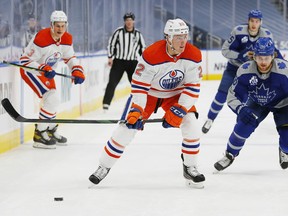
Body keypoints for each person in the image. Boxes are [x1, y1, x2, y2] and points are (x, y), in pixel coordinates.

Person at [89, 18, 205, 188]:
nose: (183, 41)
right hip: (149, 95)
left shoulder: (193, 54)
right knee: (126, 129)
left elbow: (193, 87)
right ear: (168, 37)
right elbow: (139, 87)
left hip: (175, 95)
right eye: (178, 37)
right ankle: (103, 166)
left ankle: (190, 166)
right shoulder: (151, 54)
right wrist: (137, 109)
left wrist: (180, 109)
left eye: (185, 36)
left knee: (192, 125)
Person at [202, 9, 283, 134]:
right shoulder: (238, 31)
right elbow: (225, 50)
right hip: (234, 68)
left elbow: (275, 54)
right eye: (252, 21)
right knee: (221, 95)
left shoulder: (266, 35)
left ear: (261, 22)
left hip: (252, 72)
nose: (254, 24)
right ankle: (210, 119)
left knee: (244, 101)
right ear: (248, 21)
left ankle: (239, 128)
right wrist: (240, 55)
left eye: (257, 21)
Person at [214, 37, 288, 171]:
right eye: (260, 58)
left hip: (283, 104)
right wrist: (241, 109)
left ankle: (285, 150)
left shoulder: (284, 70)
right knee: (243, 125)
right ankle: (229, 154)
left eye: (266, 58)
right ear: (254, 56)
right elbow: (232, 95)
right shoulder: (245, 70)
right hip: (257, 102)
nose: (263, 62)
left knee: (287, 140)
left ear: (273, 56)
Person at [19, 10, 85, 149]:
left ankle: (49, 129)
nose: (60, 29)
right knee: (52, 99)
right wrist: (43, 68)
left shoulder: (67, 38)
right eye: (57, 26)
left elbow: (70, 57)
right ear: (51, 25)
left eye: (63, 26)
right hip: (32, 71)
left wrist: (77, 70)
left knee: (53, 100)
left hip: (46, 71)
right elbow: (24, 61)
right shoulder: (41, 38)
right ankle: (39, 134)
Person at [102, 12, 146, 111]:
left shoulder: (138, 34)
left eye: (130, 20)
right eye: (127, 20)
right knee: (112, 82)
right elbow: (111, 44)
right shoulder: (118, 32)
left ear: (133, 21)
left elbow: (142, 48)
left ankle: (138, 104)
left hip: (132, 62)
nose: (129, 22)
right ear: (124, 22)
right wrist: (110, 57)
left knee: (136, 84)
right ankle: (106, 103)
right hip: (119, 62)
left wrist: (144, 61)